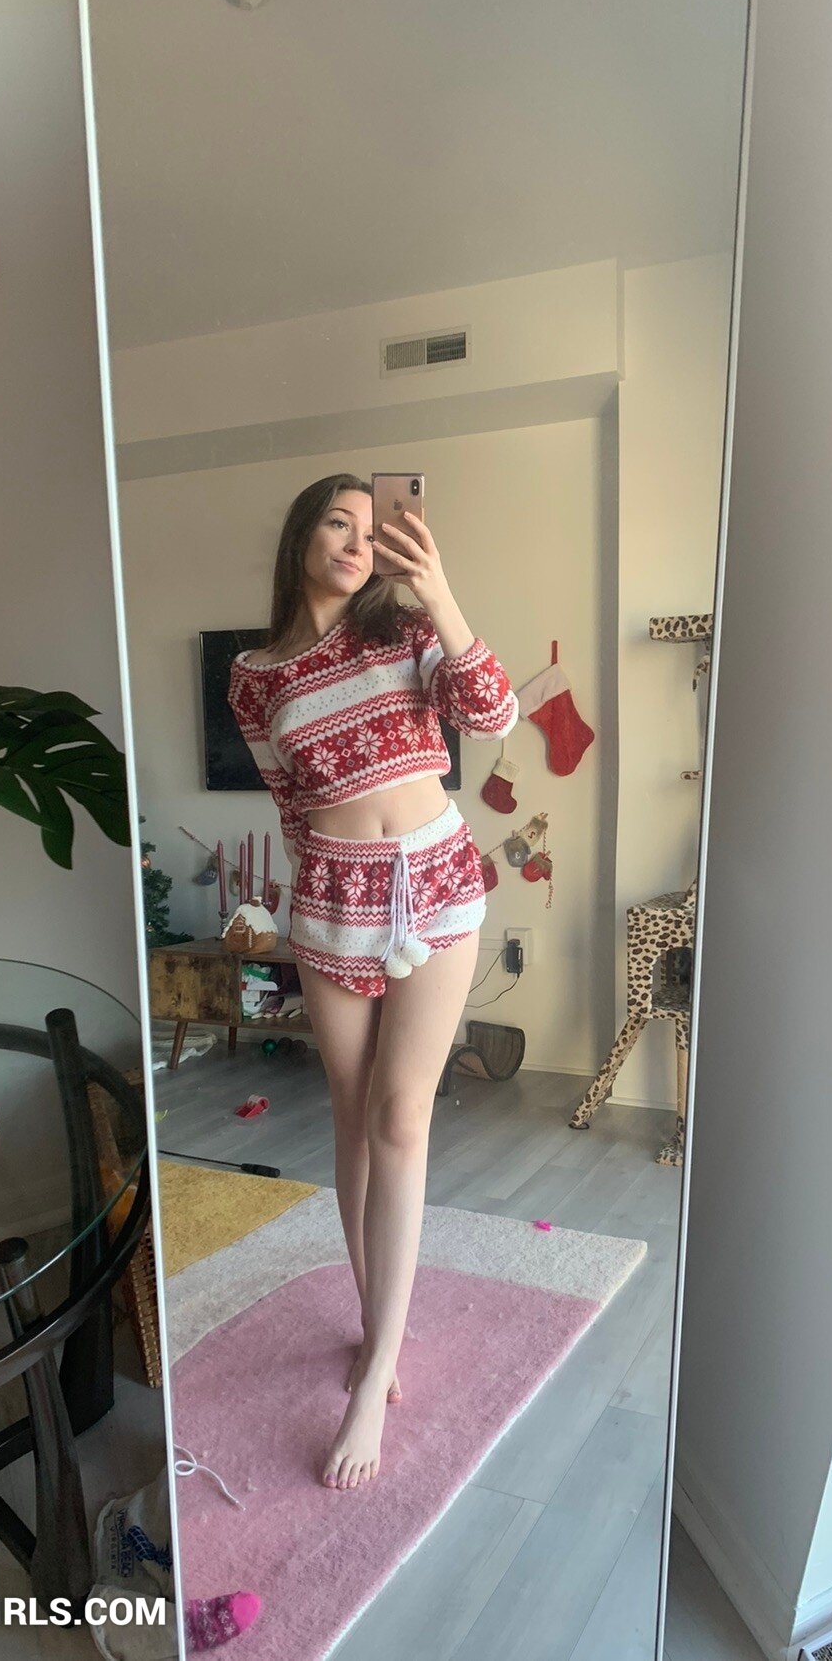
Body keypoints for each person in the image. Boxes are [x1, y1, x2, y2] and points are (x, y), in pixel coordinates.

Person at [228, 474, 517, 1491]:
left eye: (369, 527)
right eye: (336, 523)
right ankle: (371, 1321)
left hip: (434, 881)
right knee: (351, 1120)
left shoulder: (404, 628)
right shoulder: (254, 676)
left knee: (401, 1118)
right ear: (301, 536)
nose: (355, 541)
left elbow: (495, 709)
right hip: (331, 899)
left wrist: (439, 592)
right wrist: (303, 904)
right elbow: (287, 803)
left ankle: (378, 1367)